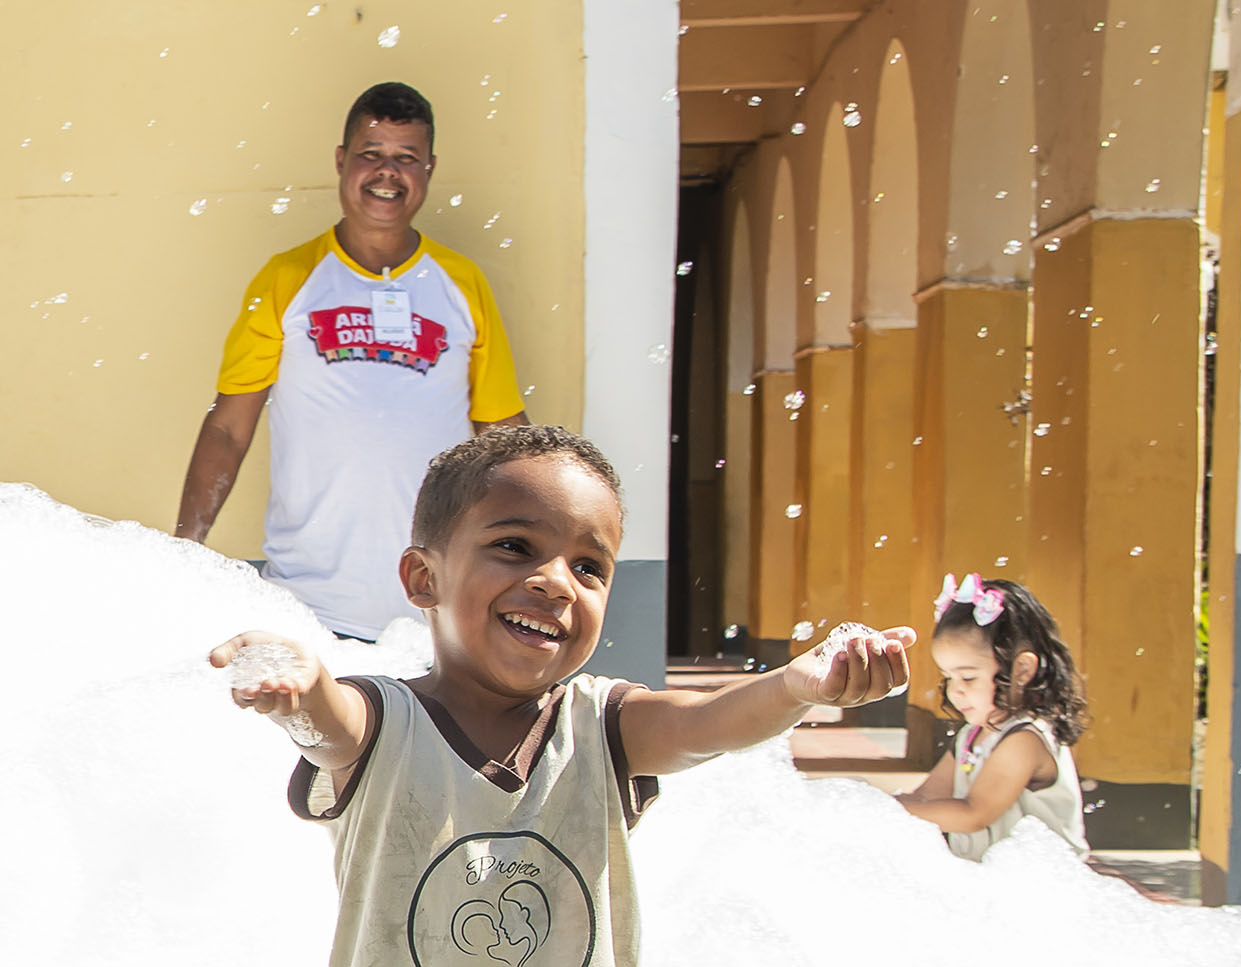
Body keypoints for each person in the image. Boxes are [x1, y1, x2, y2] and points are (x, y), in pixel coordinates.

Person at [209, 425, 914, 966]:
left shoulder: (602, 726)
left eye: (589, 566)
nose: (556, 582)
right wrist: (303, 688)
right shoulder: (384, 722)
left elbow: (705, 722)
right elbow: (333, 726)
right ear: (424, 578)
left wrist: (794, 686)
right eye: (515, 546)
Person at [176, 81, 527, 641]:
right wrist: (184, 549)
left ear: (430, 168)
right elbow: (227, 428)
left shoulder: (464, 284)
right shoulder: (286, 279)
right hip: (307, 611)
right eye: (371, 153)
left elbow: (503, 437)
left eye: (406, 157)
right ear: (341, 160)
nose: (388, 171)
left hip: (438, 613)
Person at [896, 573, 1090, 861]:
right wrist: (869, 806)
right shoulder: (972, 735)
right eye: (948, 677)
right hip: (995, 878)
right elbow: (927, 797)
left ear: (1022, 670)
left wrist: (887, 812)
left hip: (1044, 882)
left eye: (968, 677)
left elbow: (975, 814)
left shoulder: (1024, 740)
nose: (955, 690)